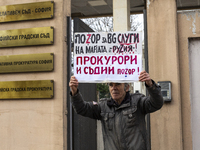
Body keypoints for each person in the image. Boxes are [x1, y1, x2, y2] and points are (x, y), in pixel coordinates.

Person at [69, 70, 163, 150]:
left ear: (127, 87)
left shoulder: (137, 102)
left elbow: (157, 103)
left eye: (117, 84)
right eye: (111, 85)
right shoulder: (103, 106)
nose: (114, 88)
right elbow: (81, 108)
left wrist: (150, 85)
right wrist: (74, 91)